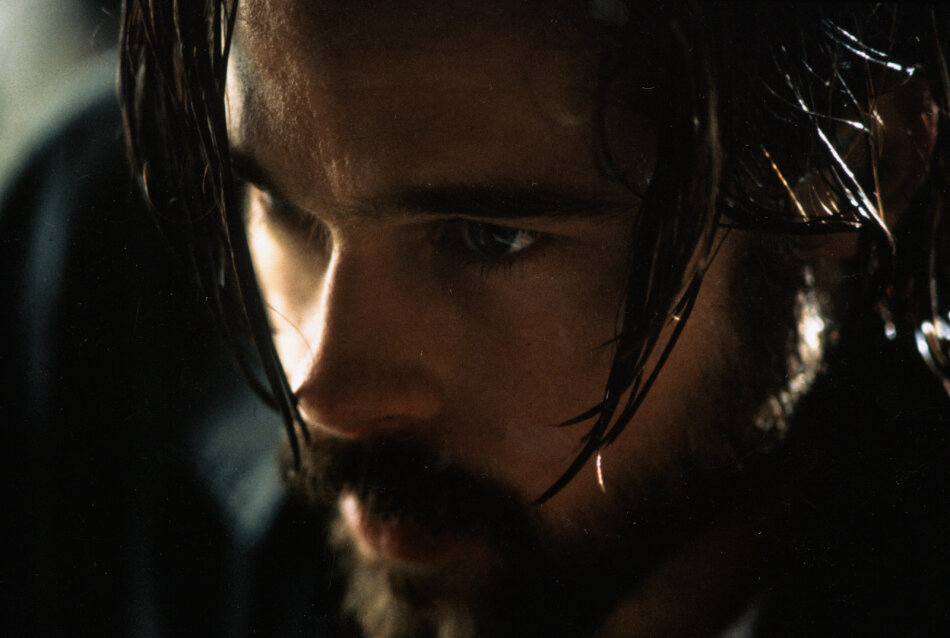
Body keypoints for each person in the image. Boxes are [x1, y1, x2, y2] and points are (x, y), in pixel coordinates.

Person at [112, 1, 950, 637]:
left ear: (857, 174)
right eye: (283, 208)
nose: (324, 398)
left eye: (492, 238)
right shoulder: (94, 269)